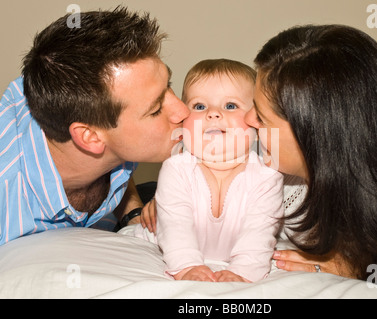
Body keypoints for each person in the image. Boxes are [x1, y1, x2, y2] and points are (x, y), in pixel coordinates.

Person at [244, 24, 377, 298]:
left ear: (315, 139)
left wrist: (365, 272)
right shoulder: (282, 179)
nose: (247, 120)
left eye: (261, 116)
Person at [0, 7, 189, 245]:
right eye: (156, 109)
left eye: (168, 84)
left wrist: (132, 211)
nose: (183, 111)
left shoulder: (81, 101)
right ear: (89, 137)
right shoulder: (7, 196)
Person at [134, 59, 284, 282]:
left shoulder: (267, 177)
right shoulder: (177, 169)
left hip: (237, 259)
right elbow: (176, 228)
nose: (213, 113)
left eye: (230, 106)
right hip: (165, 247)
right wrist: (187, 266)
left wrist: (242, 272)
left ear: (256, 119)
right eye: (199, 106)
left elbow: (259, 234)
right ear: (184, 121)